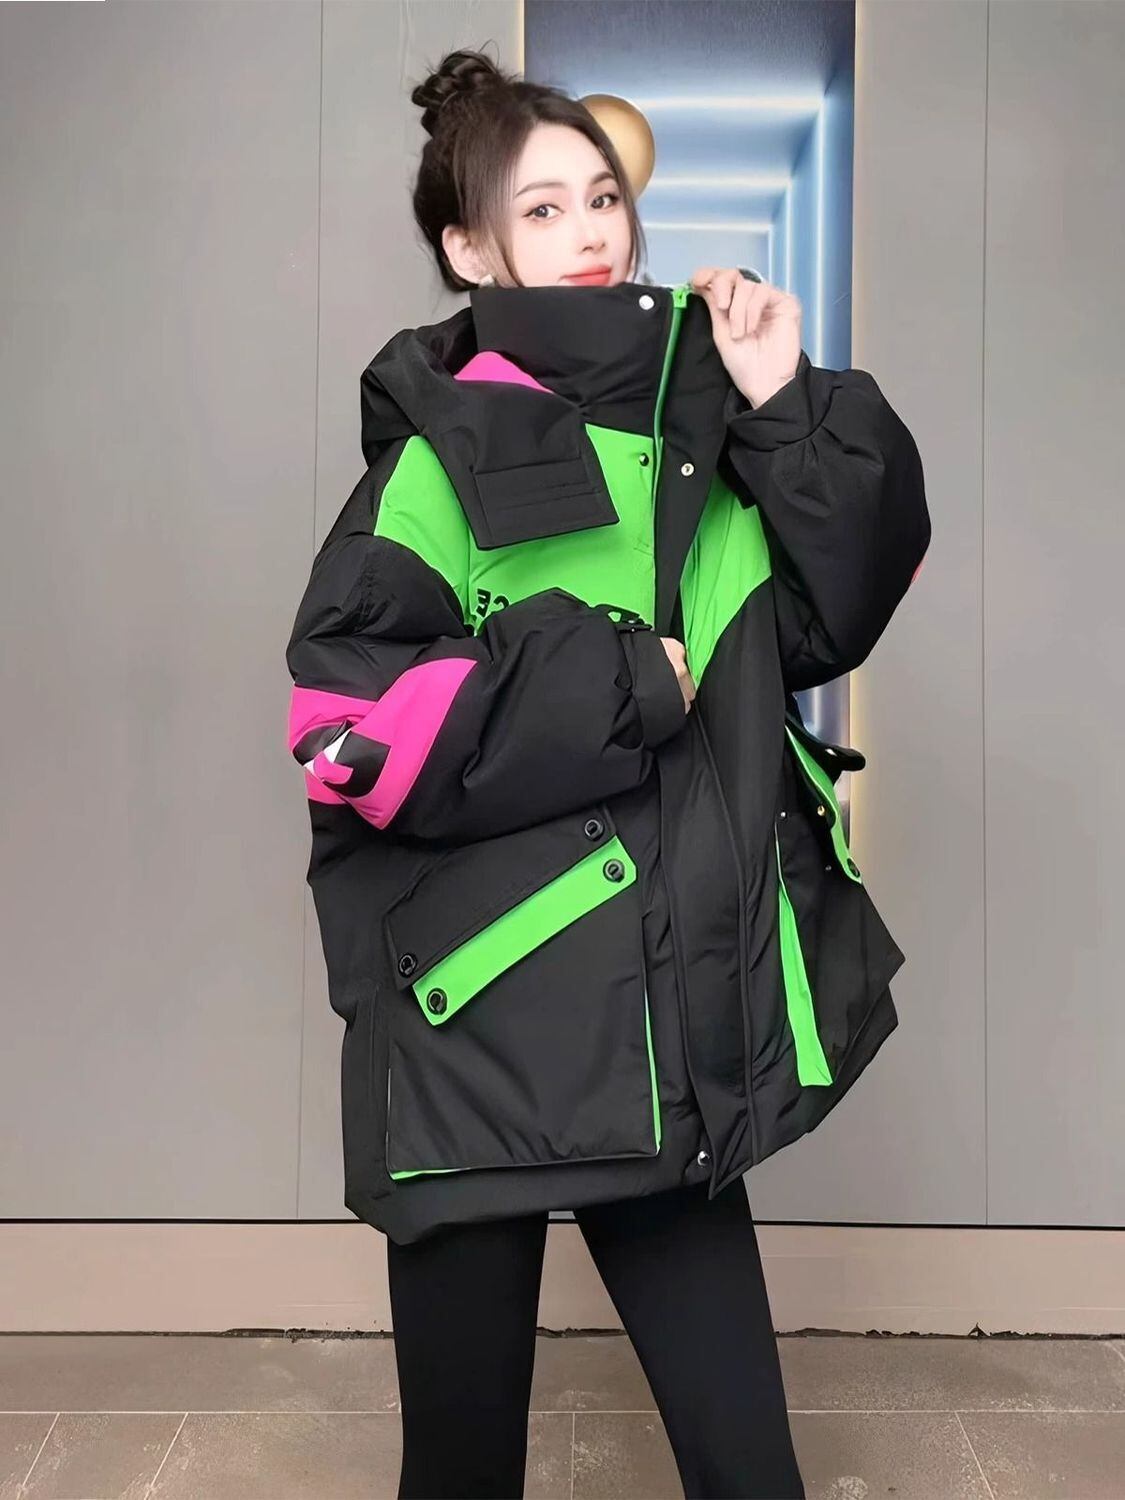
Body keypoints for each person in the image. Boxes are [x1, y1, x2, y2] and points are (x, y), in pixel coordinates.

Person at [284, 44, 930, 1500]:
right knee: (461, 1472)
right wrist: (620, 681)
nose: (587, 233)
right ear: (469, 250)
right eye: (540, 210)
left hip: (665, 1043)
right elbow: (344, 728)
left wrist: (784, 400)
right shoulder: (436, 465)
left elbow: (832, 614)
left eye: (600, 199)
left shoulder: (701, 441)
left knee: (747, 1471)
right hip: (473, 1047)